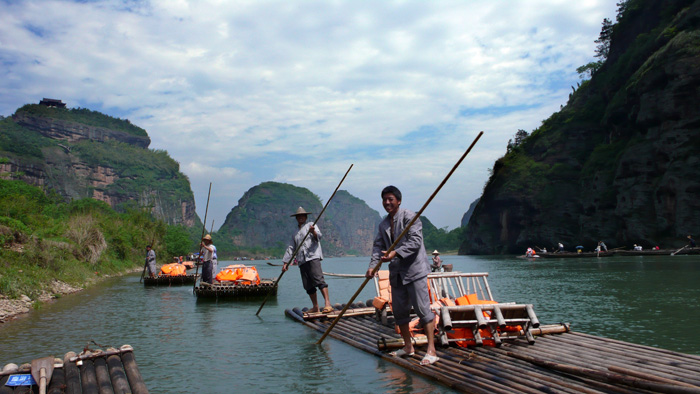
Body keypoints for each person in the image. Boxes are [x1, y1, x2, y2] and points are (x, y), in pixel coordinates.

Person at [365, 186, 438, 366]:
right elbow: (377, 247)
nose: (387, 202)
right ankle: (408, 347)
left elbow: (415, 242)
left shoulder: (410, 217)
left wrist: (395, 253)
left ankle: (431, 351)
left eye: (391, 199)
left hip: (415, 271)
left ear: (398, 201)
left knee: (423, 310)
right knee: (399, 312)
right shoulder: (383, 224)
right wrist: (373, 266)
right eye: (384, 200)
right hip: (397, 273)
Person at [282, 207, 332, 314]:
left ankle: (327, 304)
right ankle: (315, 307)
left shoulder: (311, 225)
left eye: (302, 216)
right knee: (308, 285)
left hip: (313, 257)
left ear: (305, 217)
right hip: (302, 260)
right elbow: (291, 247)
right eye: (298, 216)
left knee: (319, 280)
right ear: (296, 218)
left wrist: (313, 231)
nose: (300, 218)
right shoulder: (295, 233)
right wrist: (285, 263)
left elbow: (319, 236)